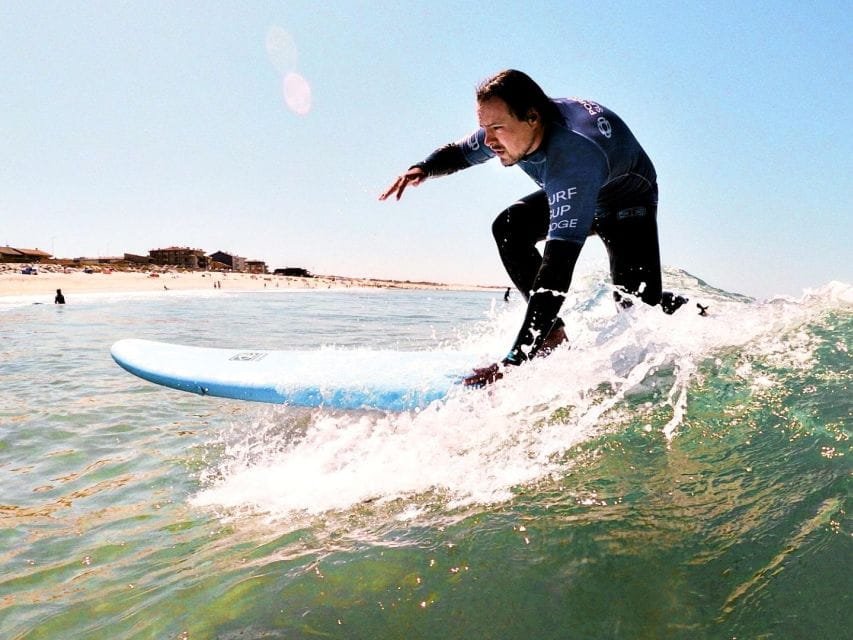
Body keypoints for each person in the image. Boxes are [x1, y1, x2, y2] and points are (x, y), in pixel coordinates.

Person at [380, 69, 686, 386]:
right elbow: (460, 152)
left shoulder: (573, 158)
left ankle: (699, 315)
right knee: (510, 227)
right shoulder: (511, 128)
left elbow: (556, 273)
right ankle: (553, 336)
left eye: (497, 128)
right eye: (484, 128)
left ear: (532, 118)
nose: (488, 140)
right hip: (588, 185)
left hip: (626, 202)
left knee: (637, 313)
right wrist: (423, 169)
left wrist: (515, 360)